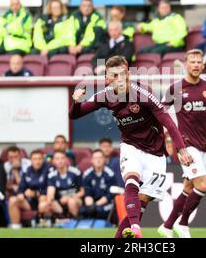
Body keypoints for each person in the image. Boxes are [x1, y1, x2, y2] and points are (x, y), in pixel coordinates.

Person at [69, 55, 193, 238]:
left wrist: (182, 150)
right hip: (130, 145)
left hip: (155, 152)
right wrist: (76, 102)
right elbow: (75, 115)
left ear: (128, 74)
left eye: (122, 74)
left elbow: (168, 121)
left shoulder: (143, 93)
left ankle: (123, 234)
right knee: (131, 181)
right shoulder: (104, 96)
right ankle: (136, 229)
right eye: (114, 76)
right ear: (107, 79)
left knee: (142, 201)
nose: (119, 79)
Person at [158, 49, 206, 238]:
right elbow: (161, 113)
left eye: (199, 62)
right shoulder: (176, 89)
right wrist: (164, 134)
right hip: (186, 146)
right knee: (202, 185)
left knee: (189, 187)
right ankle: (184, 223)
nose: (196, 65)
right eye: (192, 62)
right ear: (186, 65)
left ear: (203, 65)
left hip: (204, 145)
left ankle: (167, 225)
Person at [8, 149, 50, 229]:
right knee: (12, 200)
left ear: (43, 159)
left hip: (44, 199)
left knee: (43, 198)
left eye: (39, 159)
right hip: (30, 202)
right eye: (35, 159)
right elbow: (21, 188)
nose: (37, 161)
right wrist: (21, 194)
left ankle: (45, 225)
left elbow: (50, 189)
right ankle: (16, 227)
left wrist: (36, 193)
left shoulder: (48, 170)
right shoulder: (27, 171)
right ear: (31, 160)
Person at [45, 151, 84, 219]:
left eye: (62, 158)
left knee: (71, 202)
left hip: (76, 199)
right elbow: (50, 195)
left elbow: (82, 192)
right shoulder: (52, 175)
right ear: (53, 161)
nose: (60, 161)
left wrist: (69, 197)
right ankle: (63, 217)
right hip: (60, 201)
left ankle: (75, 221)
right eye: (57, 159)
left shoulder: (75, 172)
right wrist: (53, 200)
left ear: (66, 160)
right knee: (46, 203)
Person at [80, 149, 116, 219]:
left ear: (104, 159)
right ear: (92, 160)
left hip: (106, 203)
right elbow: (88, 194)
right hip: (92, 202)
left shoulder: (110, 174)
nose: (98, 160)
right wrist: (90, 207)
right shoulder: (87, 175)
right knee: (83, 210)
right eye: (95, 158)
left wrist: (95, 205)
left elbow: (109, 195)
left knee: (100, 210)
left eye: (100, 158)